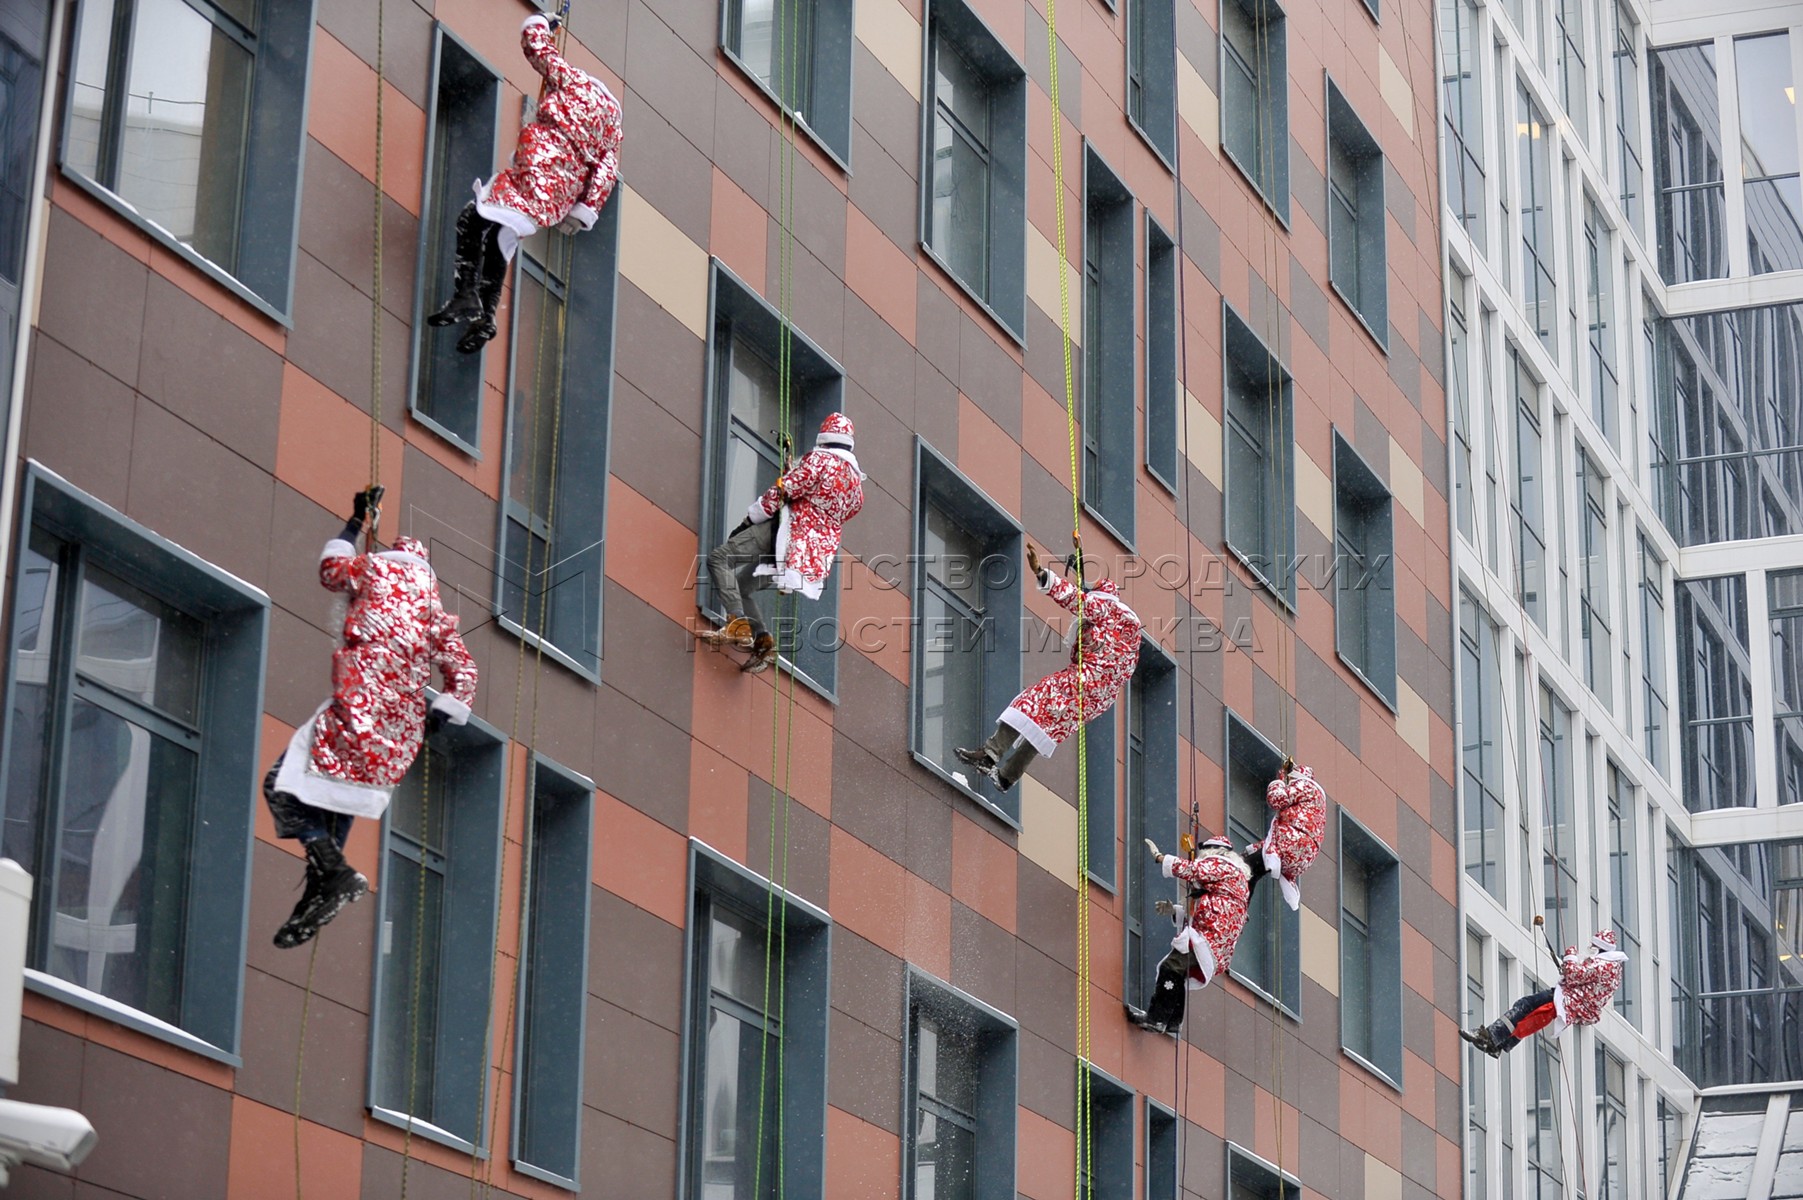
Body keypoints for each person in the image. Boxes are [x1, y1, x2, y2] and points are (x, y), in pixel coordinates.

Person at [265, 488, 479, 948]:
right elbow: (464, 674)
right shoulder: (434, 613)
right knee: (339, 799)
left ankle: (335, 874)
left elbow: (331, 570)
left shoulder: (374, 570)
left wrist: (354, 524)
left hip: (357, 708)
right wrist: (436, 719)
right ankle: (322, 890)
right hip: (397, 735)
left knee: (281, 785)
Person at [426, 12, 622, 354]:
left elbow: (537, 49)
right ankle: (485, 315)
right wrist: (582, 212)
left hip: (534, 174)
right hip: (554, 198)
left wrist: (540, 22)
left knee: (472, 218)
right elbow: (605, 173)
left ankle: (466, 294)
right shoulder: (611, 131)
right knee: (501, 236)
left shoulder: (575, 82)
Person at [955, 548, 1141, 791]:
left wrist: (1043, 574)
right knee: (1048, 725)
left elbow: (1078, 600)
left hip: (1085, 678)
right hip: (1099, 698)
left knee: (1031, 702)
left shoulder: (1106, 607)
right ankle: (1007, 776)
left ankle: (990, 753)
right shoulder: (1129, 629)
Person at [700, 413, 865, 672]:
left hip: (784, 531)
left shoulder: (820, 461)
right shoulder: (855, 485)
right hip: (802, 557)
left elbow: (783, 492)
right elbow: (817, 497)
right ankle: (763, 641)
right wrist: (794, 470)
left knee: (719, 559)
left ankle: (737, 625)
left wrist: (751, 518)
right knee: (742, 588)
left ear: (824, 437)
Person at [1133, 836, 1255, 1033]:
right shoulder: (1235, 878)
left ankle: (1158, 1018)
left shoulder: (1223, 865)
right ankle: (1173, 1021)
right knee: (1178, 972)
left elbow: (1193, 870)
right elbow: (1209, 906)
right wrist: (1176, 911)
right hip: (1215, 938)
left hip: (1208, 936)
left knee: (1170, 967)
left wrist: (1161, 858)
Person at [1460, 930, 1629, 1056]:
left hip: (1567, 1000)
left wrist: (1570, 957)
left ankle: (1491, 1036)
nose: (1591, 950)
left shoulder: (1603, 965)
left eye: (1593, 947)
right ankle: (1500, 1043)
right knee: (1528, 1017)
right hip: (1572, 1002)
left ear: (1600, 948)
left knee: (1525, 1006)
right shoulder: (1612, 968)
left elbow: (1574, 975)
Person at [1250, 760, 1327, 911]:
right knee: (1255, 868)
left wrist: (1278, 782)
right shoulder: (1317, 802)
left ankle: (1237, 899)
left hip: (1291, 844)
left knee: (1247, 867)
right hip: (1302, 858)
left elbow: (1276, 799)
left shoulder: (1304, 786)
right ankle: (1240, 899)